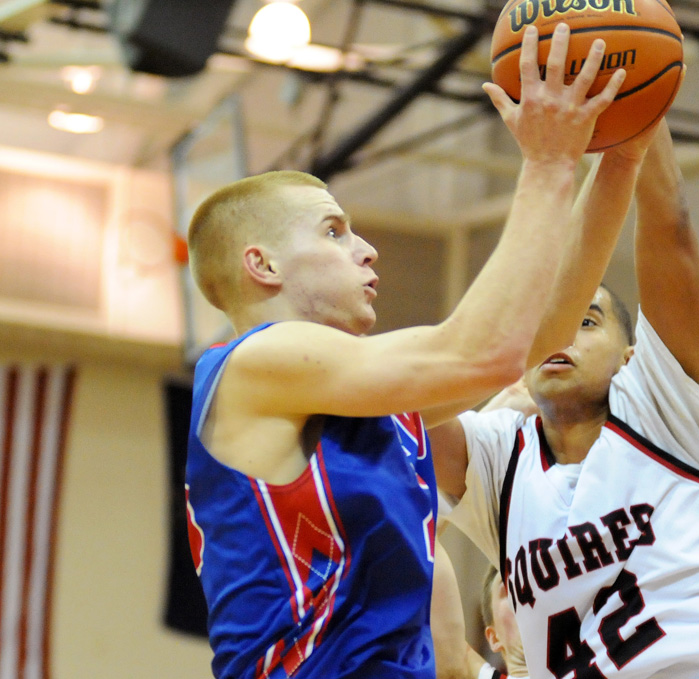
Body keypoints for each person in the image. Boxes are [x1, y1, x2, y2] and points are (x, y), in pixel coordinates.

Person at [183, 23, 657, 679]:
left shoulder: (371, 403)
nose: (366, 249)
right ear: (261, 263)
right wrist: (548, 163)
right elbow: (485, 356)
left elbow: (536, 339)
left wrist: (617, 158)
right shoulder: (251, 364)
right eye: (334, 231)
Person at [427, 121, 699, 679]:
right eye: (551, 320)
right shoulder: (498, 456)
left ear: (630, 355)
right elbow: (397, 428)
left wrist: (643, 116)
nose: (560, 333)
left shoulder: (666, 407)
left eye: (586, 320)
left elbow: (673, 228)